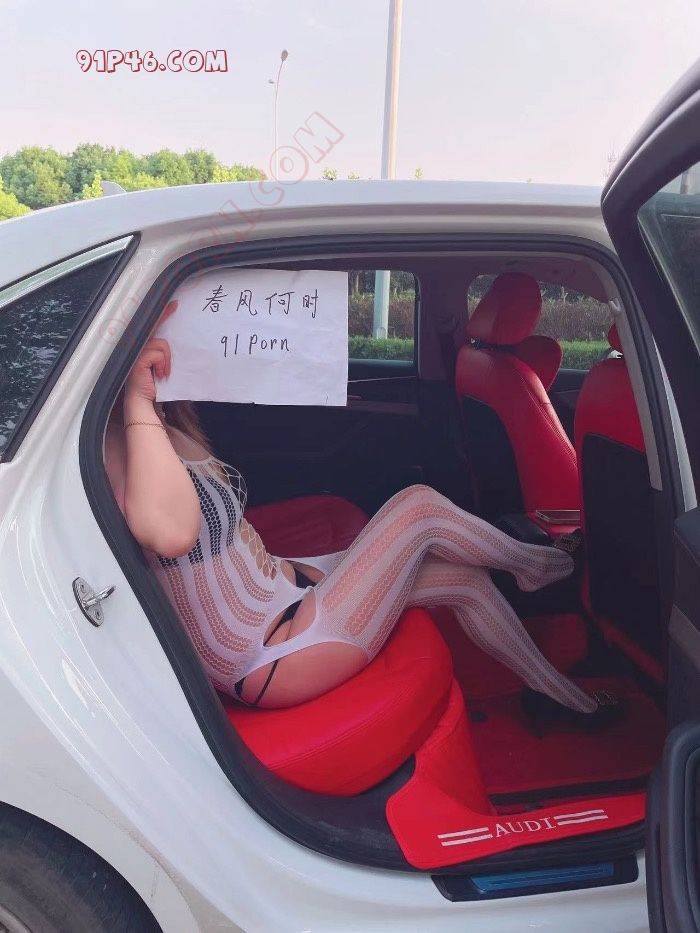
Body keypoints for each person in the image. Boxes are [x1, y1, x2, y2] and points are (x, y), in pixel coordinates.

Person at [105, 318, 602, 717]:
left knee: (466, 581)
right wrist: (136, 397)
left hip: (280, 593)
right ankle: (542, 566)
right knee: (420, 508)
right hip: (268, 653)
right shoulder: (115, 436)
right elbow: (171, 533)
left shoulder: (160, 419)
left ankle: (561, 697)